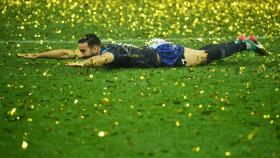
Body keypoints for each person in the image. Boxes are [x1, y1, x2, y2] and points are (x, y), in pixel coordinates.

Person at [17, 34, 267, 67]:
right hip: (155, 47)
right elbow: (64, 52)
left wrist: (84, 64)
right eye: (80, 53)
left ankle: (245, 44)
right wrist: (39, 55)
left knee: (203, 56)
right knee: (200, 51)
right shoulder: (94, 49)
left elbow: (105, 59)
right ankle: (241, 40)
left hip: (163, 53)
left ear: (94, 48)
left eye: (83, 52)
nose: (78, 53)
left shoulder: (106, 52)